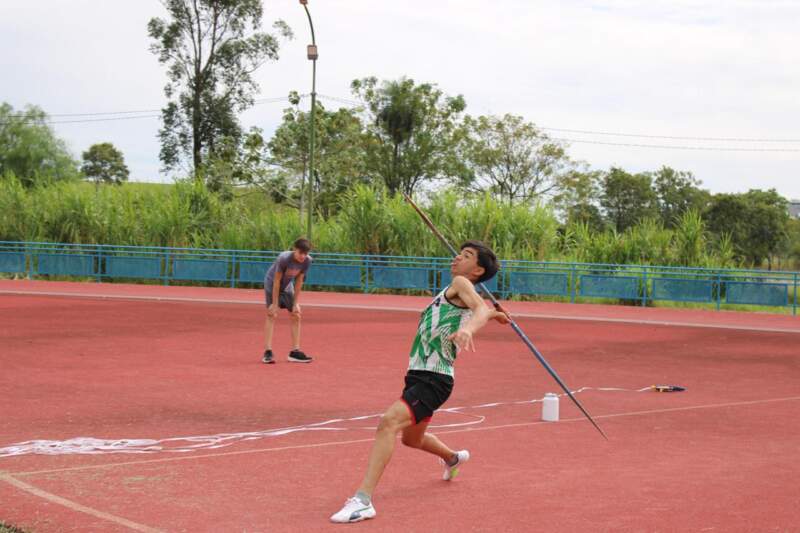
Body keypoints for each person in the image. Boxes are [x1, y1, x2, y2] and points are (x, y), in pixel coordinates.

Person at [330, 240, 510, 523]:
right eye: (459, 253)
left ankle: (363, 501)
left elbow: (478, 309)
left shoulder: (462, 282)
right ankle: (453, 457)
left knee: (388, 423)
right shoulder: (457, 288)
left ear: (476, 270)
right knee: (411, 439)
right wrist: (494, 314)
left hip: (435, 378)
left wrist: (471, 329)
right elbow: (481, 309)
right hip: (418, 374)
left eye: (465, 256)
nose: (456, 258)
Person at [262, 238, 314, 364]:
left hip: (287, 286)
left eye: (305, 253)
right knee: (271, 314)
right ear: (294, 249)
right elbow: (276, 281)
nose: (303, 256)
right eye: (300, 252)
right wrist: (275, 303)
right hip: (271, 284)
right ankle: (268, 352)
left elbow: (299, 281)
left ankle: (295, 352)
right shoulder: (284, 258)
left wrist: (295, 303)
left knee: (296, 314)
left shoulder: (307, 261)